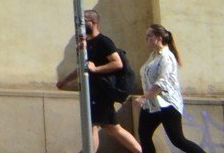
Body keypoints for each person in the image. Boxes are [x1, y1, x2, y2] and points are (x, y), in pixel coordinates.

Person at [73, 10, 144, 153]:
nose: (80, 24)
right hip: (95, 91)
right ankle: (139, 151)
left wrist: (96, 69)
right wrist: (65, 81)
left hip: (102, 92)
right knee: (112, 127)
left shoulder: (103, 41)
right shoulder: (86, 43)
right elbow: (83, 67)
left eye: (83, 21)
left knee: (92, 124)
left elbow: (117, 63)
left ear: (93, 22)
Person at [140, 25, 210, 153]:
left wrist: (145, 96)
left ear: (159, 38)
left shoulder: (166, 57)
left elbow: (163, 82)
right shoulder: (154, 56)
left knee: (177, 139)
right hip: (152, 104)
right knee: (144, 134)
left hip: (167, 104)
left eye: (149, 35)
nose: (147, 39)